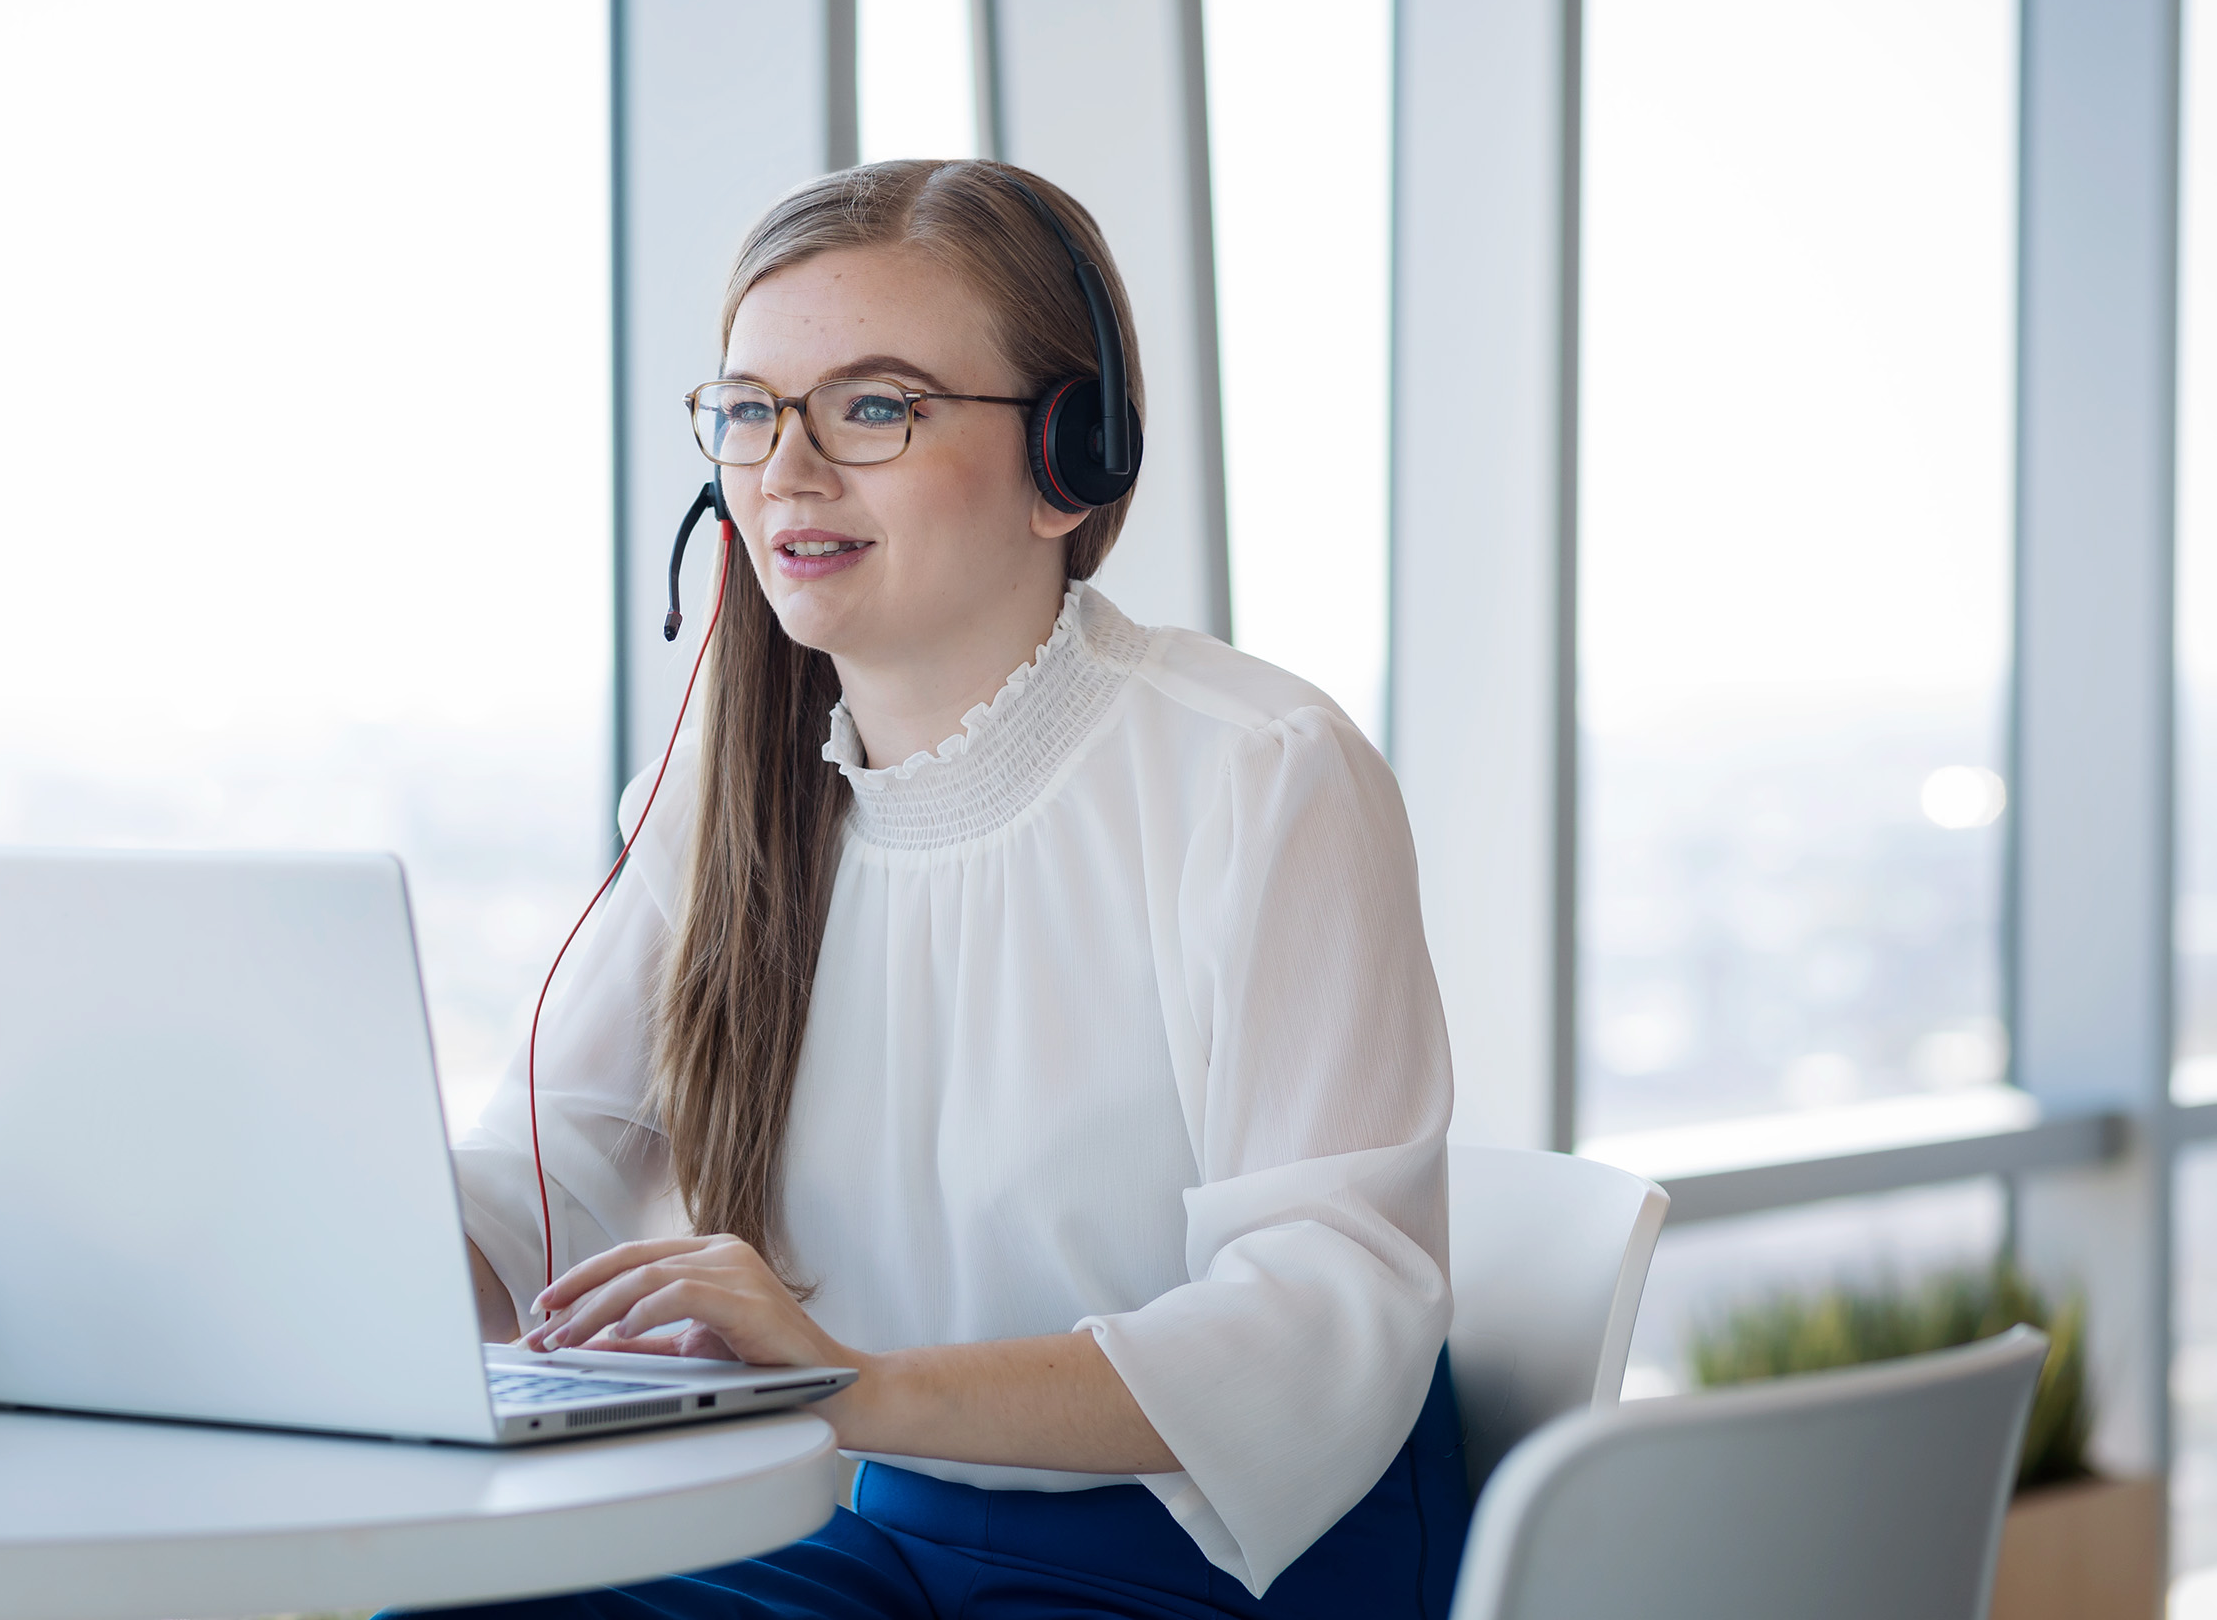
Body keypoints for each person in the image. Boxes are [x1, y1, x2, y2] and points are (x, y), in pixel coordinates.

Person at [447, 160, 1465, 1620]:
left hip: (1218, 1558)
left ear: (1074, 460)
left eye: (874, 407)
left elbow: (1320, 1324)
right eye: (747, 410)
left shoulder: (1257, 774)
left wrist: (851, 1381)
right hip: (878, 1521)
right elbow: (537, 1183)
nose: (785, 472)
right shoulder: (725, 794)